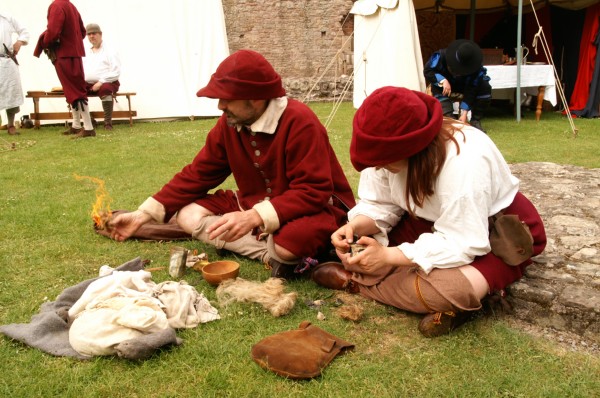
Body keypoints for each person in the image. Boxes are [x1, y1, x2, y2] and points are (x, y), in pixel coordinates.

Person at [312, 86, 546, 337]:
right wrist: (355, 226)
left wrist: (389, 257)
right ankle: (432, 295)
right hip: (425, 224)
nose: (379, 167)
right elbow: (380, 204)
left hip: (494, 235)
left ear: (414, 151)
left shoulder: (466, 159)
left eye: (385, 162)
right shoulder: (382, 155)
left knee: (451, 290)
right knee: (363, 249)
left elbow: (464, 241)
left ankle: (356, 284)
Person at [108, 49, 355, 279]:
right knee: (187, 214)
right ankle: (270, 255)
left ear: (256, 98)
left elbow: (314, 191)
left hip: (314, 208)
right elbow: (199, 174)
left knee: (292, 242)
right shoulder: (228, 125)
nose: (220, 106)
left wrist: (253, 217)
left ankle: (279, 251)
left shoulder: (300, 122)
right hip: (250, 202)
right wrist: (142, 216)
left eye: (227, 99)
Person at [33, 0, 95, 138]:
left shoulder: (57, 5)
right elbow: (82, 32)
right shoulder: (71, 6)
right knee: (71, 89)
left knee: (75, 90)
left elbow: (53, 32)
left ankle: (89, 127)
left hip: (64, 54)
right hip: (74, 53)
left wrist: (46, 41)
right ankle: (76, 125)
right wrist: (72, 41)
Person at [424, 39, 492, 133]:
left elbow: (472, 88)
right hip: (444, 85)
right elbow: (428, 71)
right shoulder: (441, 56)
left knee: (484, 86)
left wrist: (464, 112)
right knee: (436, 86)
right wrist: (442, 80)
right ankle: (449, 118)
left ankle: (475, 121)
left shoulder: (475, 67)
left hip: (464, 86)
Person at [80, 23, 121, 130]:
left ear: (100, 34)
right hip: (89, 83)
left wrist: (101, 82)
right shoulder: (86, 52)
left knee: (106, 89)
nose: (91, 36)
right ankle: (88, 121)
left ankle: (107, 123)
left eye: (94, 33)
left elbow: (116, 71)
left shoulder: (110, 50)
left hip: (107, 82)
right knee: (75, 90)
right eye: (89, 34)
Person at [0, 11, 29, 136]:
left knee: (11, 92)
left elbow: (24, 32)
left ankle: (11, 125)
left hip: (7, 60)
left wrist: (19, 42)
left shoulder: (7, 18)